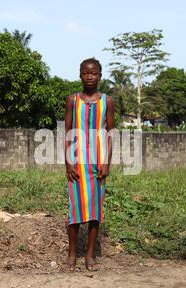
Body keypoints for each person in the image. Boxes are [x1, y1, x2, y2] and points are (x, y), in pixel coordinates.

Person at [64, 57, 115, 271]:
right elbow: (67, 131)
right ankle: (72, 254)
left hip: (98, 164)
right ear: (80, 75)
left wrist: (107, 163)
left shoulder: (107, 101)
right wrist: (68, 162)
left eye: (93, 73)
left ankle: (90, 255)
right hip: (77, 163)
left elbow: (111, 133)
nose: (89, 77)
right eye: (85, 73)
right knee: (75, 211)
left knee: (95, 211)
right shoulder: (72, 100)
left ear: (100, 75)